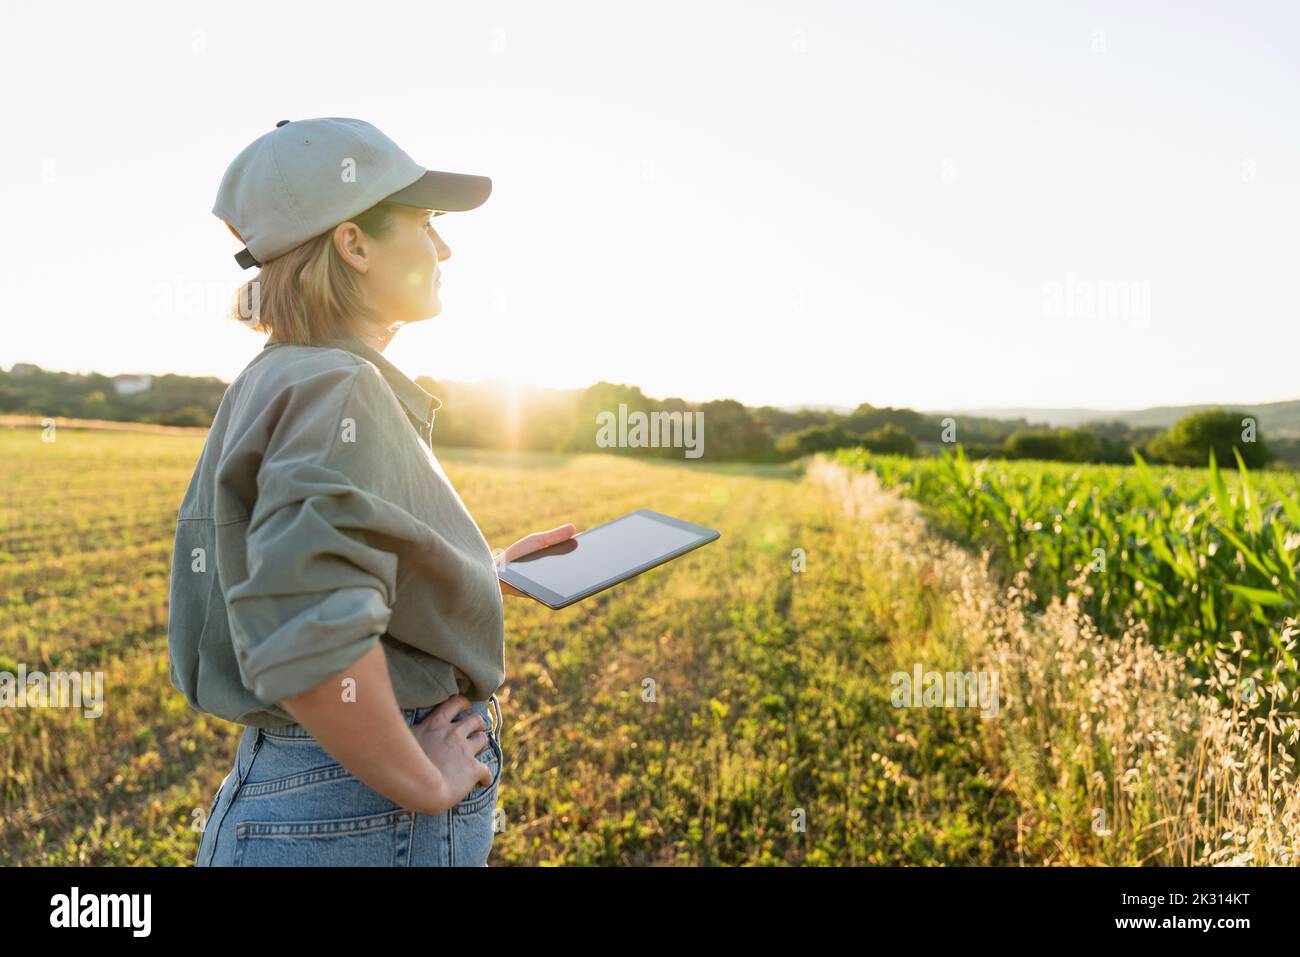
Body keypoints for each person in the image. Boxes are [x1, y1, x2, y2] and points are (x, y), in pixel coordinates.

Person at [168, 117, 574, 866]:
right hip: (362, 808)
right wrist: (421, 780)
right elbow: (306, 628)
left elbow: (307, 563)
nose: (444, 248)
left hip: (313, 789)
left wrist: (470, 570)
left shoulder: (284, 374)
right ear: (354, 244)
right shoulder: (340, 387)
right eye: (424, 223)